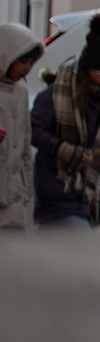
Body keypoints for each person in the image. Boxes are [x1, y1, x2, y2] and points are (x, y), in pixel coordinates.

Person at [30, 15, 100, 228]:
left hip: (88, 195)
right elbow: (34, 129)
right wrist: (63, 150)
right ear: (88, 68)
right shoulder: (57, 93)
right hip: (57, 189)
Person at [0, 20, 40, 232]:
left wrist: (27, 191)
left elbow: (25, 144)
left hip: (14, 198)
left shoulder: (21, 92)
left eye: (31, 63)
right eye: (22, 61)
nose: (26, 69)